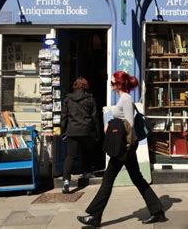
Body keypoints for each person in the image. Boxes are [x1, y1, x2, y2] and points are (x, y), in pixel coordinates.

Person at [77, 71, 166, 227]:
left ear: (118, 84)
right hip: (126, 147)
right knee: (137, 178)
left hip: (124, 147)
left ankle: (94, 216)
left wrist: (112, 127)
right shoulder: (123, 98)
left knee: (108, 180)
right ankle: (157, 211)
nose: (110, 85)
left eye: (112, 82)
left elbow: (129, 124)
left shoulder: (126, 98)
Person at [60, 77, 101, 194]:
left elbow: (64, 117)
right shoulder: (90, 99)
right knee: (87, 150)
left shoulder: (68, 99)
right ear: (85, 86)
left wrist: (63, 131)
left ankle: (66, 180)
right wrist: (98, 132)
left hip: (72, 130)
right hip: (86, 130)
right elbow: (95, 117)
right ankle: (87, 171)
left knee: (70, 156)